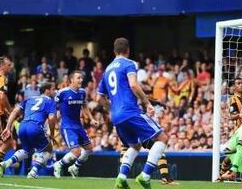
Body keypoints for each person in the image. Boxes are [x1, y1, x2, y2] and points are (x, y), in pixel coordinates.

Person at [96, 38, 168, 189]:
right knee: (162, 137)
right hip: (130, 111)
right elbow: (134, 84)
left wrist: (111, 109)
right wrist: (147, 103)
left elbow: (99, 98)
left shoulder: (107, 70)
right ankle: (145, 176)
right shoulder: (129, 64)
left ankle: (121, 178)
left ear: (114, 51)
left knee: (135, 145)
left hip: (116, 116)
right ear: (128, 50)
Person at [0, 83, 57, 178]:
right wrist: (52, 134)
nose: (55, 91)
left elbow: (15, 112)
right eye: (53, 89)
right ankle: (33, 171)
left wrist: (8, 127)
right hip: (35, 127)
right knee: (49, 149)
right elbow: (52, 118)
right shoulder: (51, 101)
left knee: (27, 150)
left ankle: (5, 163)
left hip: (22, 126)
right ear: (47, 91)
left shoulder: (30, 99)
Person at [53, 71, 98, 178]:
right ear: (71, 80)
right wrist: (53, 123)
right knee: (76, 152)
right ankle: (58, 165)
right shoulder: (62, 92)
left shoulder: (82, 92)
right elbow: (54, 109)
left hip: (78, 125)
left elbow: (85, 105)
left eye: (81, 78)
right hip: (67, 126)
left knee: (89, 149)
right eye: (78, 78)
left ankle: (75, 167)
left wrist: (91, 119)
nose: (81, 80)